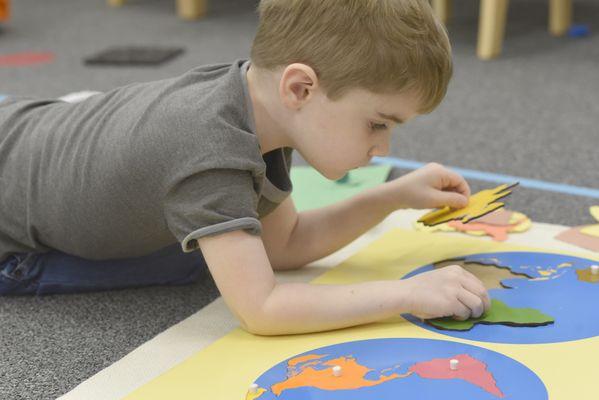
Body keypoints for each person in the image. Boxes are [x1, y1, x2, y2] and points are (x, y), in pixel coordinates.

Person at [0, 0, 490, 334]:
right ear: (300, 88)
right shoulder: (210, 147)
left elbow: (286, 245)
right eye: (378, 124)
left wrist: (394, 195)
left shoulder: (262, 108)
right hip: (10, 230)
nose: (382, 147)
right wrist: (406, 295)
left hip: (27, 135)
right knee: (187, 262)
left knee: (229, 242)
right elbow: (263, 307)